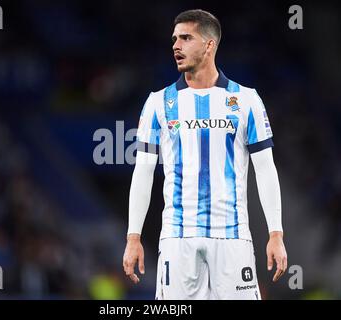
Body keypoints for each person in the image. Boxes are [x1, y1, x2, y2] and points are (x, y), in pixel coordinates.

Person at [123, 9, 287, 300]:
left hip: (232, 237)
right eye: (175, 38)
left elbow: (265, 169)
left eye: (186, 38)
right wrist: (133, 237)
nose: (176, 45)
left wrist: (276, 233)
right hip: (177, 238)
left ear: (209, 45)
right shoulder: (158, 103)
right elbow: (144, 171)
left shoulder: (246, 100)